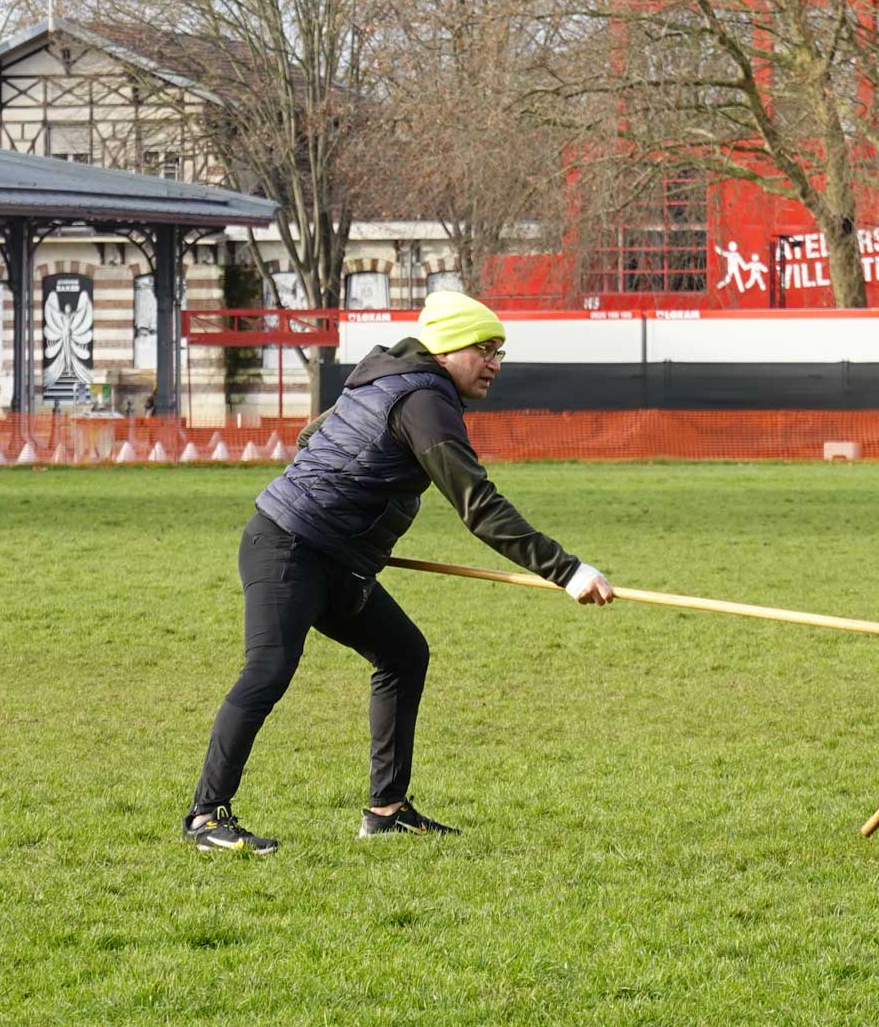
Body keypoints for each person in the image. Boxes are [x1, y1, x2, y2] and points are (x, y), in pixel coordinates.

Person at [184, 290, 614, 854]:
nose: (495, 364)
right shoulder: (424, 399)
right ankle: (205, 817)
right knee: (268, 669)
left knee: (403, 654)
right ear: (448, 348)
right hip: (289, 548)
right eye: (484, 350)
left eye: (499, 352)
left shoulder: (387, 378)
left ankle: (386, 811)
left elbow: (313, 439)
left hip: (337, 559)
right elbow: (479, 505)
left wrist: (352, 527)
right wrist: (568, 572)